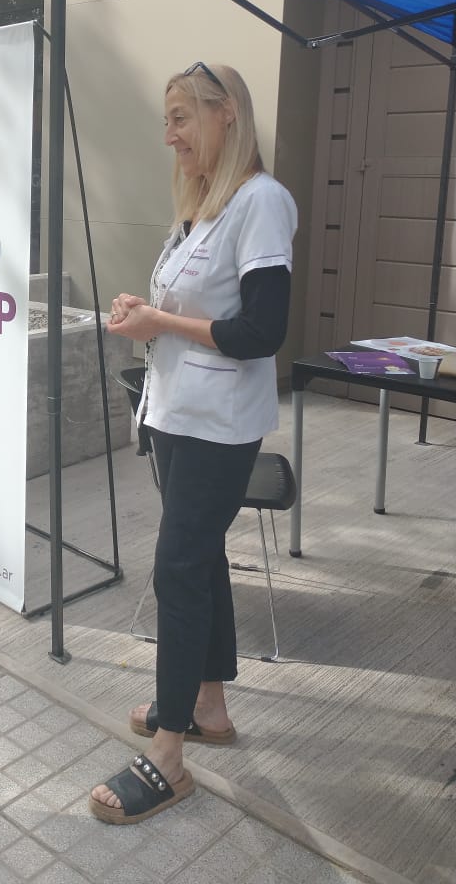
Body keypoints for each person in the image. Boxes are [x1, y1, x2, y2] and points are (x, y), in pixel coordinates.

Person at [90, 63, 297, 825]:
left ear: (226, 114)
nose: (170, 135)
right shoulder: (203, 209)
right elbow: (191, 310)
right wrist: (143, 309)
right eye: (167, 120)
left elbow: (262, 331)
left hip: (218, 424)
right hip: (176, 414)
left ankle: (170, 756)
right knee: (199, 560)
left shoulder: (262, 201)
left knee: (176, 570)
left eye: (182, 117)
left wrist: (161, 323)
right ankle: (207, 707)